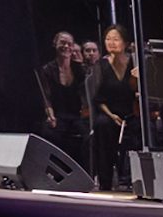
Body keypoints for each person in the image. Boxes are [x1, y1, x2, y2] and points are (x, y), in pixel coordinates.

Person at [84, 26, 142, 192]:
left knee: (143, 129)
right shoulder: (101, 65)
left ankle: (136, 180)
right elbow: (98, 98)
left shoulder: (134, 62)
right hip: (109, 112)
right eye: (108, 39)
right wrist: (111, 115)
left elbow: (142, 93)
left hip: (132, 112)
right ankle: (105, 182)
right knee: (102, 126)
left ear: (125, 42)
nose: (111, 43)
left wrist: (139, 80)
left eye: (116, 39)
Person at [34, 31, 87, 141]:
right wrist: (51, 116)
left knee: (91, 134)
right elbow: (46, 97)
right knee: (49, 132)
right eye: (62, 43)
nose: (66, 46)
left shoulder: (79, 69)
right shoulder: (47, 70)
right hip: (58, 115)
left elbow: (86, 93)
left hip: (77, 116)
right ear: (55, 44)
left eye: (70, 44)